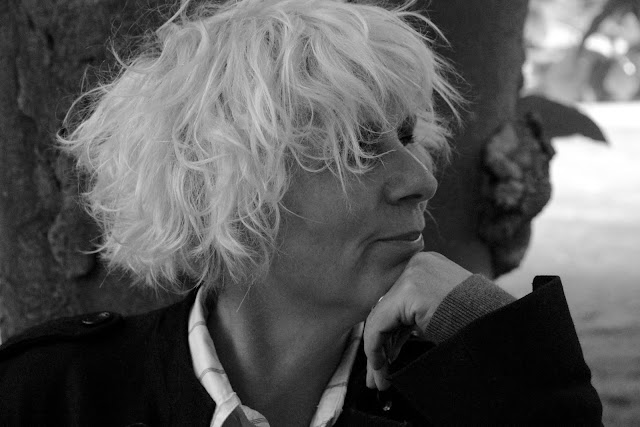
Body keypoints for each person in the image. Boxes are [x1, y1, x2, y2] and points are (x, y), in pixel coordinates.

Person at [0, 0, 602, 425]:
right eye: (357, 147)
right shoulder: (54, 395)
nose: (421, 180)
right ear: (225, 187)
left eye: (405, 138)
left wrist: (493, 337)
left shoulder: (466, 395)